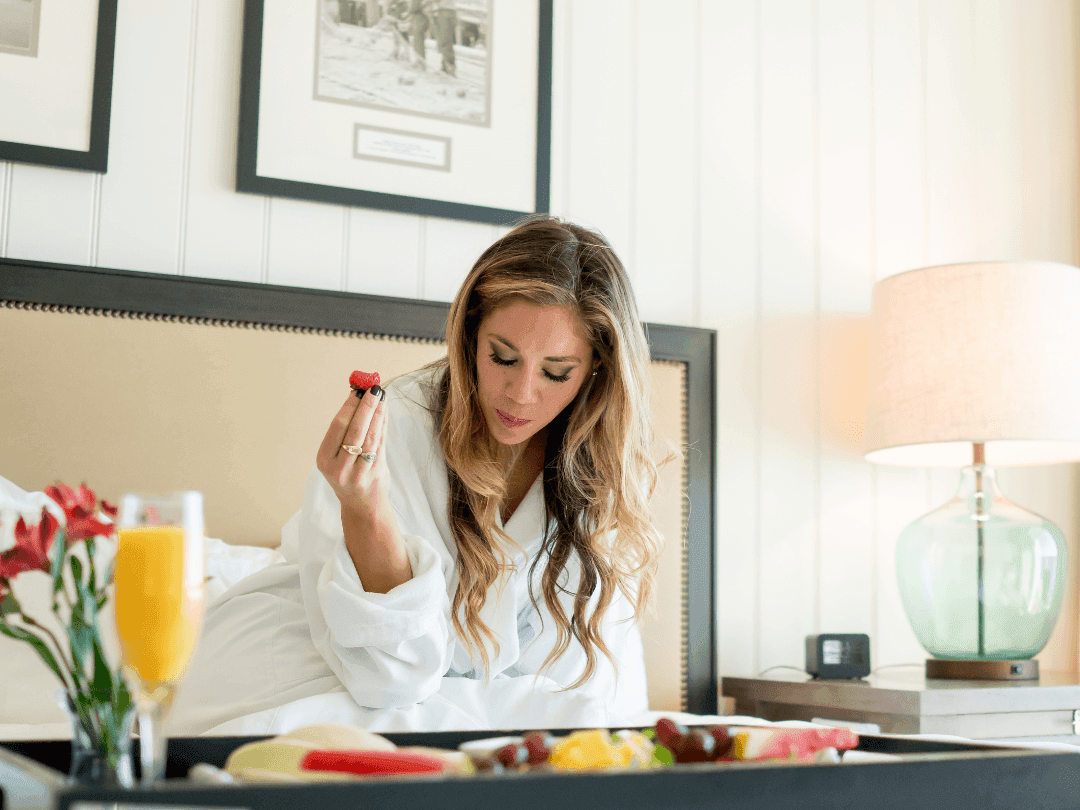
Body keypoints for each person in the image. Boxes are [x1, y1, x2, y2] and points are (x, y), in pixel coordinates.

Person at [171, 217, 673, 735]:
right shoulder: (400, 427)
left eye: (555, 372)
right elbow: (388, 681)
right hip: (303, 668)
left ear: (597, 368)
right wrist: (365, 510)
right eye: (502, 357)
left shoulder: (593, 472)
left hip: (455, 697)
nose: (521, 393)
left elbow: (577, 690)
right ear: (470, 335)